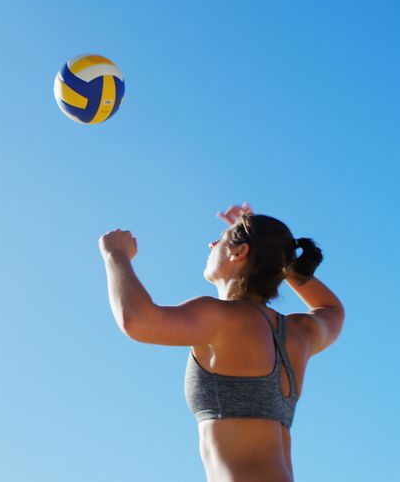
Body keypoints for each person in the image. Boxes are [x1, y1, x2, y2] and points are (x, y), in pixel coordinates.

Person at [99, 202, 345, 482]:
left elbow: (138, 321)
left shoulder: (222, 318)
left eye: (222, 238)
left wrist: (115, 254)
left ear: (240, 252)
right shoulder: (299, 332)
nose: (211, 243)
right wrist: (277, 259)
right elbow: (331, 310)